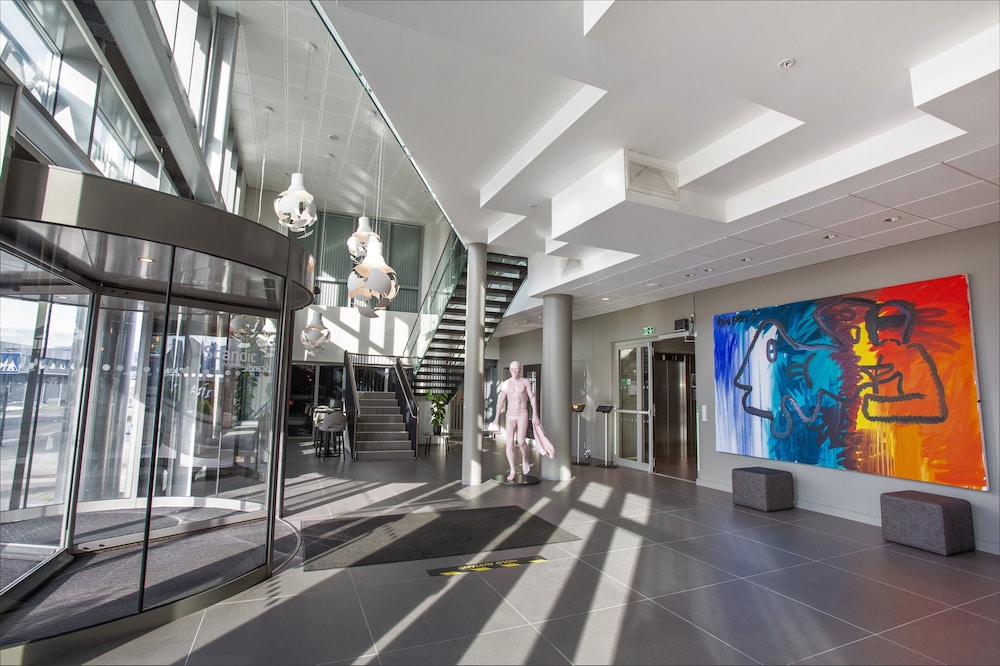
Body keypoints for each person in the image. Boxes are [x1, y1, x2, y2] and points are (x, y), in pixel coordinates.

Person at [490, 360, 554, 481]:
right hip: (510, 415)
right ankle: (512, 470)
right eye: (512, 369)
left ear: (519, 369)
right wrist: (496, 418)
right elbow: (501, 402)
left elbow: (532, 398)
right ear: (510, 370)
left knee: (520, 441)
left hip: (522, 413)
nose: (514, 371)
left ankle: (525, 459)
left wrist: (535, 415)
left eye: (517, 369)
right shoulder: (506, 384)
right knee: (509, 443)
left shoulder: (525, 382)